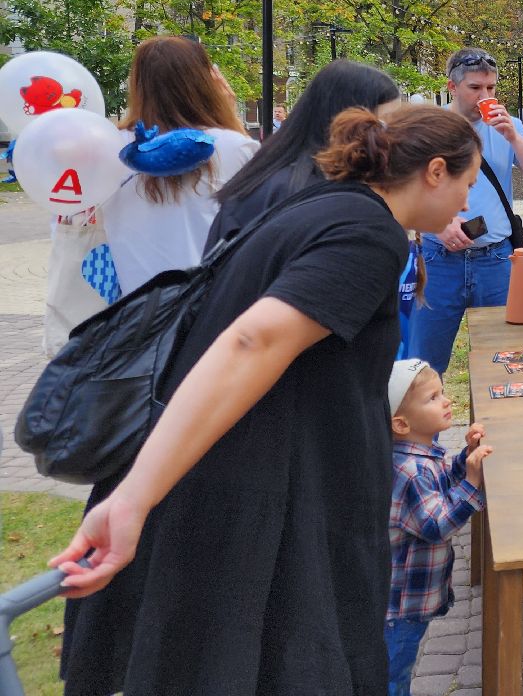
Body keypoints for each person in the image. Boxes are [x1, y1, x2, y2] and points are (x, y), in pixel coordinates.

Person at [54, 103, 485, 696]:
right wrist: (133, 498)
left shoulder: (327, 205)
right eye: (467, 183)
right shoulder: (367, 233)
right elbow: (253, 341)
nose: (468, 202)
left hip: (249, 487)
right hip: (248, 502)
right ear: (436, 171)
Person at [407, 48, 523, 376]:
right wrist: (440, 225)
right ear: (452, 87)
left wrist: (514, 137)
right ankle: (422, 426)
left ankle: (489, 429)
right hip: (437, 260)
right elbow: (404, 192)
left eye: (490, 88)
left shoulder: (508, 126)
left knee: (502, 363)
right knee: (423, 369)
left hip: (496, 261)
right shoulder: (428, 128)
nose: (485, 96)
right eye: (475, 88)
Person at [100, 36, 258, 296]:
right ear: (206, 82)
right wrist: (231, 120)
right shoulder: (234, 146)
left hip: (134, 312)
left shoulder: (108, 147)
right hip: (211, 307)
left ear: (138, 85)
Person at [207, 59, 401, 246]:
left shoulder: (278, 176)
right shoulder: (313, 194)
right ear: (346, 120)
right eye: (384, 125)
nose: (395, 137)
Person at [385, 359, 491, 695]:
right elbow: (437, 523)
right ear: (401, 423)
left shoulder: (420, 455)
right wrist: (472, 483)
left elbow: (442, 484)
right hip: (400, 608)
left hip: (406, 603)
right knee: (392, 675)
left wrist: (465, 457)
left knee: (397, 669)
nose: (446, 401)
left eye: (443, 392)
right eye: (432, 398)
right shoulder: (412, 471)